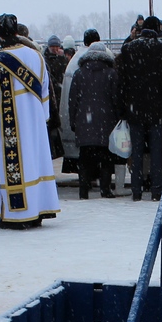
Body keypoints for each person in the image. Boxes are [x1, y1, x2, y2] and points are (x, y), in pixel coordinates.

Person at [0, 14, 60, 229]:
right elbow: (45, 89)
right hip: (34, 119)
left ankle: (19, 215)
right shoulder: (35, 55)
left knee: (16, 165)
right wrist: (40, 115)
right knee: (35, 162)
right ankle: (39, 208)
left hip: (12, 121)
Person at [114, 15, 162, 200]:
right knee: (156, 152)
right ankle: (156, 190)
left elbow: (121, 83)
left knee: (136, 151)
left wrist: (123, 108)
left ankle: (136, 190)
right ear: (156, 29)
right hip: (157, 108)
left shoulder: (128, 49)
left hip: (134, 108)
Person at [66, 30, 119, 199]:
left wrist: (73, 120)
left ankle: (83, 190)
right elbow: (116, 99)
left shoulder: (79, 73)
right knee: (106, 157)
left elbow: (72, 100)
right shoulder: (111, 74)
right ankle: (105, 189)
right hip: (106, 122)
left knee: (85, 158)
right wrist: (117, 118)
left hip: (84, 122)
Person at [44, 35, 69, 160]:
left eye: (56, 46)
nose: (54, 49)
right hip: (53, 95)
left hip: (59, 94)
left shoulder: (62, 59)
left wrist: (61, 58)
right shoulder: (45, 59)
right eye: (52, 46)